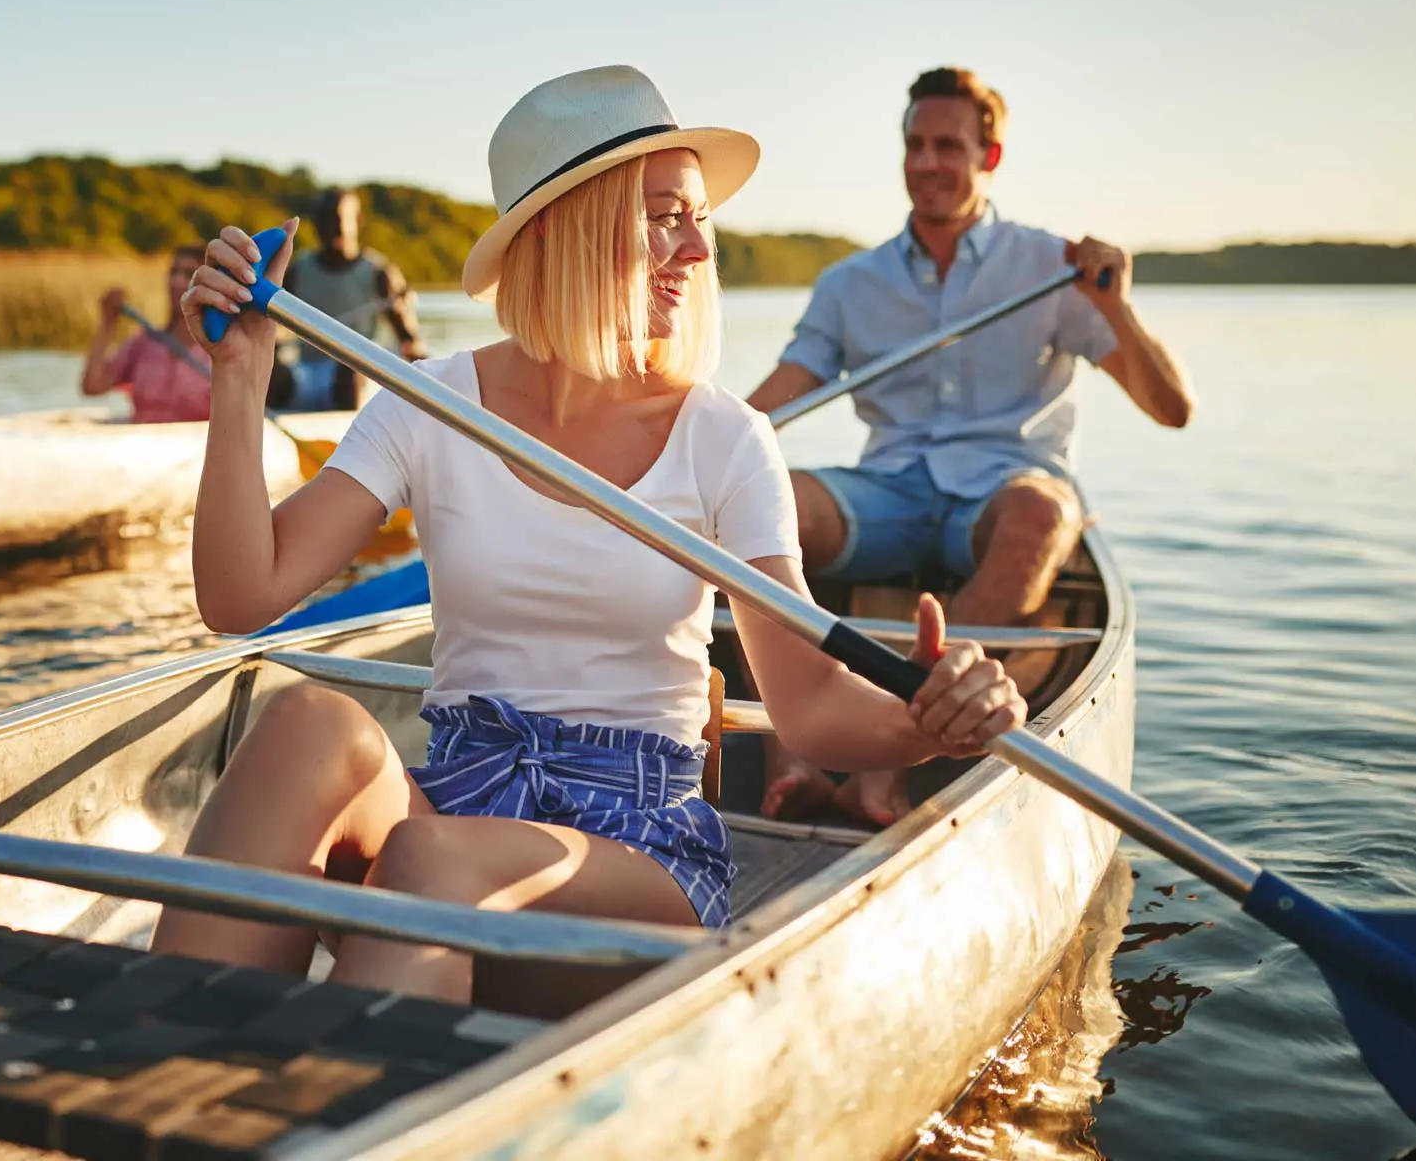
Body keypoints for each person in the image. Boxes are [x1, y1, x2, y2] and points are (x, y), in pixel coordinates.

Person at [150, 65, 1027, 1006]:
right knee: (304, 726)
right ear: (571, 231)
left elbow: (808, 708)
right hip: (455, 801)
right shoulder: (430, 401)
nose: (696, 250)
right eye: (665, 217)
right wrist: (239, 375)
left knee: (433, 858)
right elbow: (241, 597)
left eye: (699, 219)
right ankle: (165, 1080)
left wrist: (929, 722)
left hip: (636, 857)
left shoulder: (725, 438)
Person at [744, 66, 1196, 826]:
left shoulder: (1054, 270)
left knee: (1041, 518)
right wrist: (688, 452)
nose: (927, 163)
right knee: (761, 497)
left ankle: (884, 757)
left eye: (947, 146)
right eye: (915, 145)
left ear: (988, 158)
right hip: (889, 491)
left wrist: (1113, 306)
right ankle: (789, 758)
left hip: (1008, 492)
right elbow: (780, 395)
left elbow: (1171, 409)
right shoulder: (852, 283)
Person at [281, 185, 428, 411]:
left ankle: (352, 437)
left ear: (356, 221)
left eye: (337, 218)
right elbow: (271, 332)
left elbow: (410, 341)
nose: (331, 227)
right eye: (324, 219)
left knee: (350, 370)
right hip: (308, 373)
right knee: (274, 375)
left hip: (361, 377)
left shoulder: (379, 273)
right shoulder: (297, 271)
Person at [80, 245, 212, 423]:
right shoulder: (143, 344)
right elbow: (92, 386)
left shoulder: (218, 351)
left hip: (197, 448)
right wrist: (108, 323)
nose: (177, 281)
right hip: (142, 445)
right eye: (174, 272)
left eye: (189, 274)